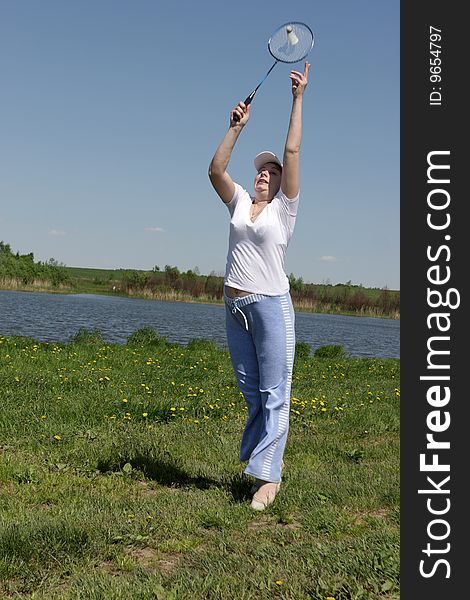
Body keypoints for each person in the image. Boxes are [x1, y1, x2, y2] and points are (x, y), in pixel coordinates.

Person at [208, 62, 310, 510]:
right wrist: (235, 128)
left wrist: (298, 98)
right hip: (234, 306)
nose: (264, 174)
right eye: (261, 170)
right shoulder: (240, 204)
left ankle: (269, 479)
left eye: (270, 171)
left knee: (276, 392)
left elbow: (291, 153)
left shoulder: (283, 211)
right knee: (252, 392)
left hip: (270, 306)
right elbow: (214, 170)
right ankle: (257, 461)